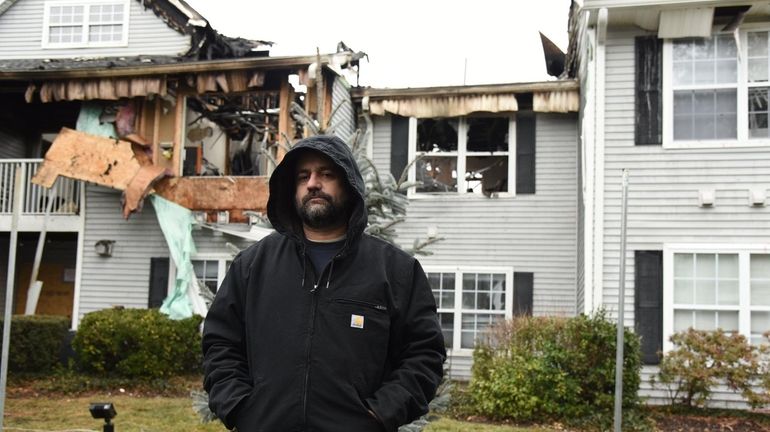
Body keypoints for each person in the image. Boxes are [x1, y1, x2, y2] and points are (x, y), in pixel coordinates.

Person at [202, 135, 446, 431]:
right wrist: (241, 407)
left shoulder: (395, 271)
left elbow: (425, 354)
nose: (313, 183)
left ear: (349, 184)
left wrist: (379, 414)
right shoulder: (252, 266)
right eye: (303, 176)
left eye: (326, 174)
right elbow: (220, 343)